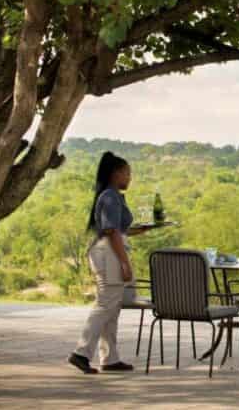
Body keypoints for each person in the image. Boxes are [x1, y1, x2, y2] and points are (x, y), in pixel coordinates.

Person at [68, 152, 147, 374]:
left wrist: (138, 230)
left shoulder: (113, 196)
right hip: (110, 252)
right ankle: (81, 353)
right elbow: (111, 232)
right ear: (115, 174)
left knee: (112, 307)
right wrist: (125, 263)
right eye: (126, 173)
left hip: (111, 248)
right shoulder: (110, 196)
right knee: (105, 305)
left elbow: (117, 229)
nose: (129, 178)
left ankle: (110, 358)